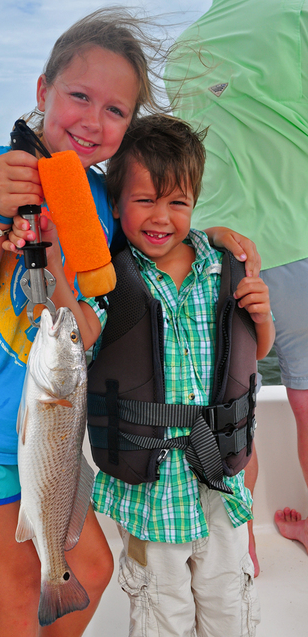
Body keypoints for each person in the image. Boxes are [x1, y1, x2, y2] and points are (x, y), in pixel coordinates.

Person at [0, 8, 261, 636]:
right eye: (78, 96)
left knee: (88, 573)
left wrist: (211, 235)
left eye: (116, 110)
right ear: (43, 91)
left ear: (128, 126)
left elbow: (135, 261)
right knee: (18, 591)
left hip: (48, 441)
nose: (94, 121)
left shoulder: (101, 204)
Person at [30, 114, 274, 637]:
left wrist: (264, 315)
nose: (161, 217)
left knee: (229, 608)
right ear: (116, 205)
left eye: (178, 203)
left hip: (221, 485)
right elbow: (81, 334)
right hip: (151, 498)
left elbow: (257, 350)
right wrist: (51, 257)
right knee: (164, 617)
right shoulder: (109, 277)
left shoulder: (224, 264)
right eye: (145, 201)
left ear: (195, 204)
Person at [164, 0, 308, 573]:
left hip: (224, 254)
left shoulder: (180, 52)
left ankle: (239, 554)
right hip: (304, 244)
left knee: (233, 414)